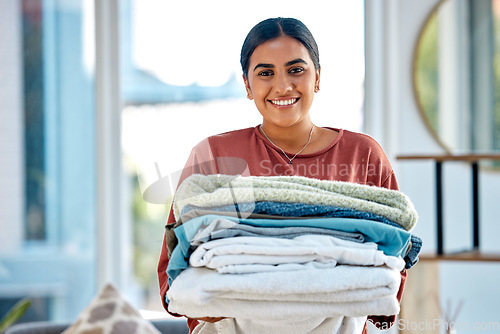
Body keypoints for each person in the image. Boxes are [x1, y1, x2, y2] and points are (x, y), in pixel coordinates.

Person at [157, 17, 406, 333]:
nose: (283, 85)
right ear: (248, 85)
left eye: (296, 69)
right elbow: (173, 269)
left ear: (317, 77)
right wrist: (212, 299)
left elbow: (393, 257)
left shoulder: (362, 154)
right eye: (265, 73)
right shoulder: (213, 155)